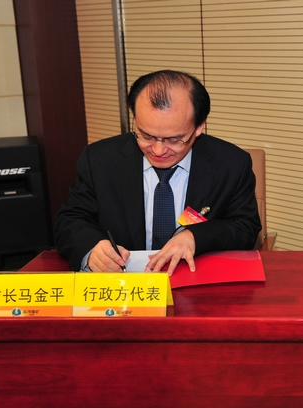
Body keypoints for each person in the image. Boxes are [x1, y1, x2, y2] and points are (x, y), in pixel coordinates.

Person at [55, 70, 261, 274]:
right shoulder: (99, 159)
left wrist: (196, 237)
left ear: (199, 126)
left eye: (174, 140)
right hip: (125, 283)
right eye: (146, 136)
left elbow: (245, 227)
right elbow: (70, 220)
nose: (158, 150)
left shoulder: (231, 163)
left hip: (194, 278)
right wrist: (92, 249)